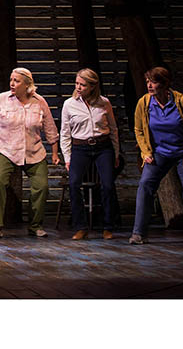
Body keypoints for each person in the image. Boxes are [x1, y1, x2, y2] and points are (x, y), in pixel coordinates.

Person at [129, 66, 183, 245]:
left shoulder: (182, 102)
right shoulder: (144, 103)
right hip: (158, 153)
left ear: (164, 84)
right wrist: (146, 152)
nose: (149, 85)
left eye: (153, 82)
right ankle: (138, 233)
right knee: (145, 186)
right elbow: (139, 130)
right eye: (147, 81)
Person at [0, 67, 59, 239]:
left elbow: (51, 130)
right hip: (5, 149)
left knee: (42, 186)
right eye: (11, 80)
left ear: (27, 85)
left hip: (34, 151)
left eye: (16, 81)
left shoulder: (39, 102)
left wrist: (55, 153)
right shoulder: (2, 100)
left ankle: (35, 225)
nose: (12, 83)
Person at [60, 68, 120, 240]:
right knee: (73, 184)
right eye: (77, 83)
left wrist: (116, 153)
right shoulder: (69, 104)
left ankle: (108, 226)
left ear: (93, 86)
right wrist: (67, 157)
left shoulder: (104, 103)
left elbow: (114, 129)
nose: (78, 87)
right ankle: (81, 226)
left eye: (83, 85)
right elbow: (65, 133)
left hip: (103, 146)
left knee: (107, 185)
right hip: (80, 147)